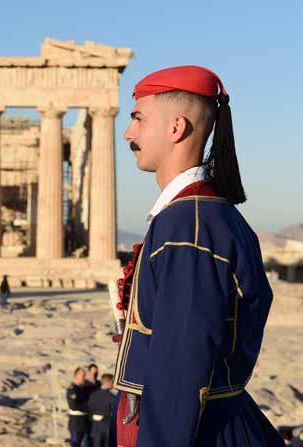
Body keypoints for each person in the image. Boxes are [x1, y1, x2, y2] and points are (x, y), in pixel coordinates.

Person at [111, 65, 283, 446]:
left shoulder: (187, 226)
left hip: (198, 433)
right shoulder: (209, 215)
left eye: (138, 118)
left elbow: (178, 372)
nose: (128, 133)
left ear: (176, 127)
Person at [87, 373, 115, 447]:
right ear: (108, 382)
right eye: (112, 382)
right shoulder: (111, 397)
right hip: (107, 425)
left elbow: (89, 408)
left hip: (95, 425)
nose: (113, 384)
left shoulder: (93, 394)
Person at [67, 367, 91, 447]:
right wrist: (88, 407)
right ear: (76, 376)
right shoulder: (72, 389)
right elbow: (74, 406)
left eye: (84, 375)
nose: (84, 378)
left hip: (85, 422)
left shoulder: (83, 388)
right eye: (82, 376)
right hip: (76, 423)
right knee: (75, 443)